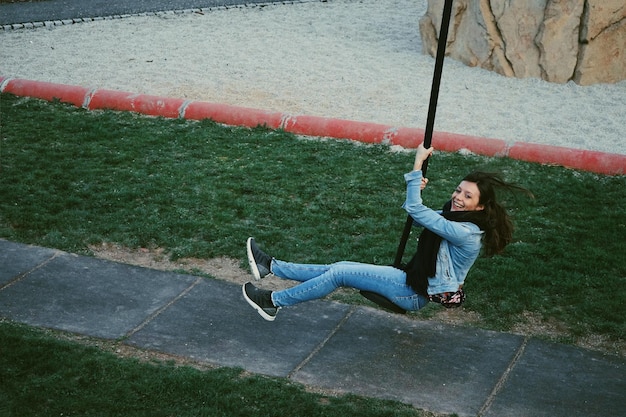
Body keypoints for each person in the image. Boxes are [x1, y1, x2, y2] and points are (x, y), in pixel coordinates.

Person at [242, 143, 532, 321]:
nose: (458, 197)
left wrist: (417, 164)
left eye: (468, 196)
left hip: (413, 292)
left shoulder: (467, 232)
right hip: (409, 279)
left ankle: (272, 302)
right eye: (459, 190)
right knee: (337, 268)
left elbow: (417, 212)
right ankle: (271, 266)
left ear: (480, 207)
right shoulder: (453, 214)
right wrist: (416, 193)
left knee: (340, 272)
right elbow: (418, 216)